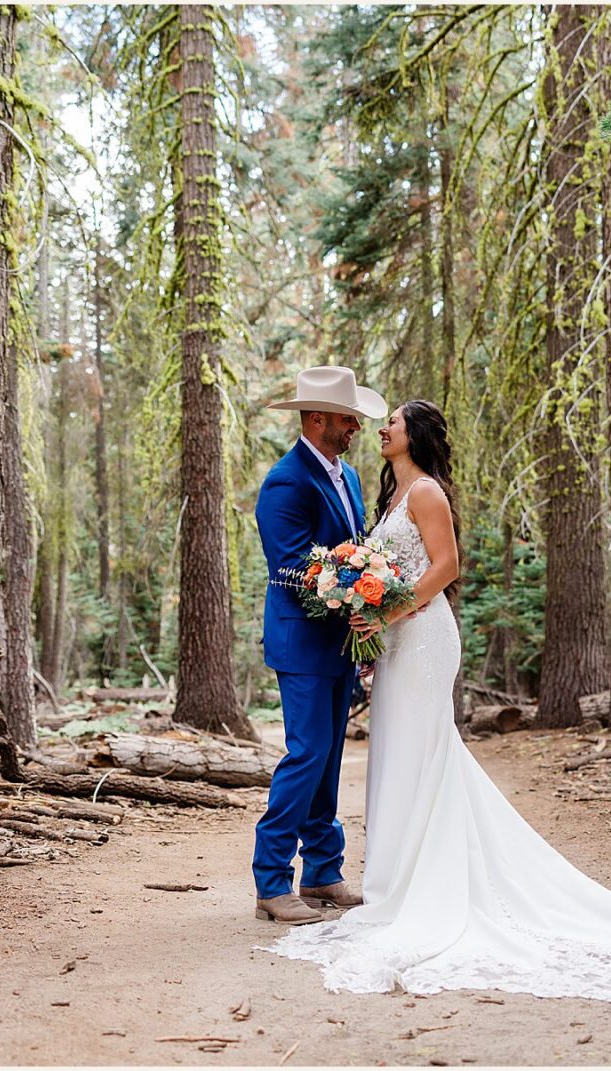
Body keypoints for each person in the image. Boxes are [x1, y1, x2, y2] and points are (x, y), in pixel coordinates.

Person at [266, 399, 611, 1000]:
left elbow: (447, 565)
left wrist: (391, 608)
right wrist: (371, 610)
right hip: (395, 639)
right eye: (364, 421)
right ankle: (394, 879)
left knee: (421, 752)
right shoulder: (377, 494)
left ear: (417, 436)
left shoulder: (426, 493)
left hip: (423, 639)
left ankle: (415, 884)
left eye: (392, 423)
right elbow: (353, 564)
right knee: (401, 757)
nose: (376, 428)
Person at [252, 366, 386, 925]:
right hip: (302, 640)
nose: (356, 425)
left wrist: (364, 588)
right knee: (306, 754)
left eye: (356, 417)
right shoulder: (286, 481)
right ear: (316, 419)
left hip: (339, 640)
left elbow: (350, 544)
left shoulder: (349, 477)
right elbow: (287, 564)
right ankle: (271, 881)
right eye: (347, 417)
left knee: (329, 759)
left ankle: (324, 872)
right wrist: (349, 580)